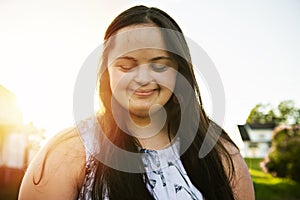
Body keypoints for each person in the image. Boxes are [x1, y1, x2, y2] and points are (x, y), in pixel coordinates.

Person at [19, 5, 254, 200]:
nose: (143, 79)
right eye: (126, 66)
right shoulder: (71, 151)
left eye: (160, 64)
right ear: (107, 71)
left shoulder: (220, 152)